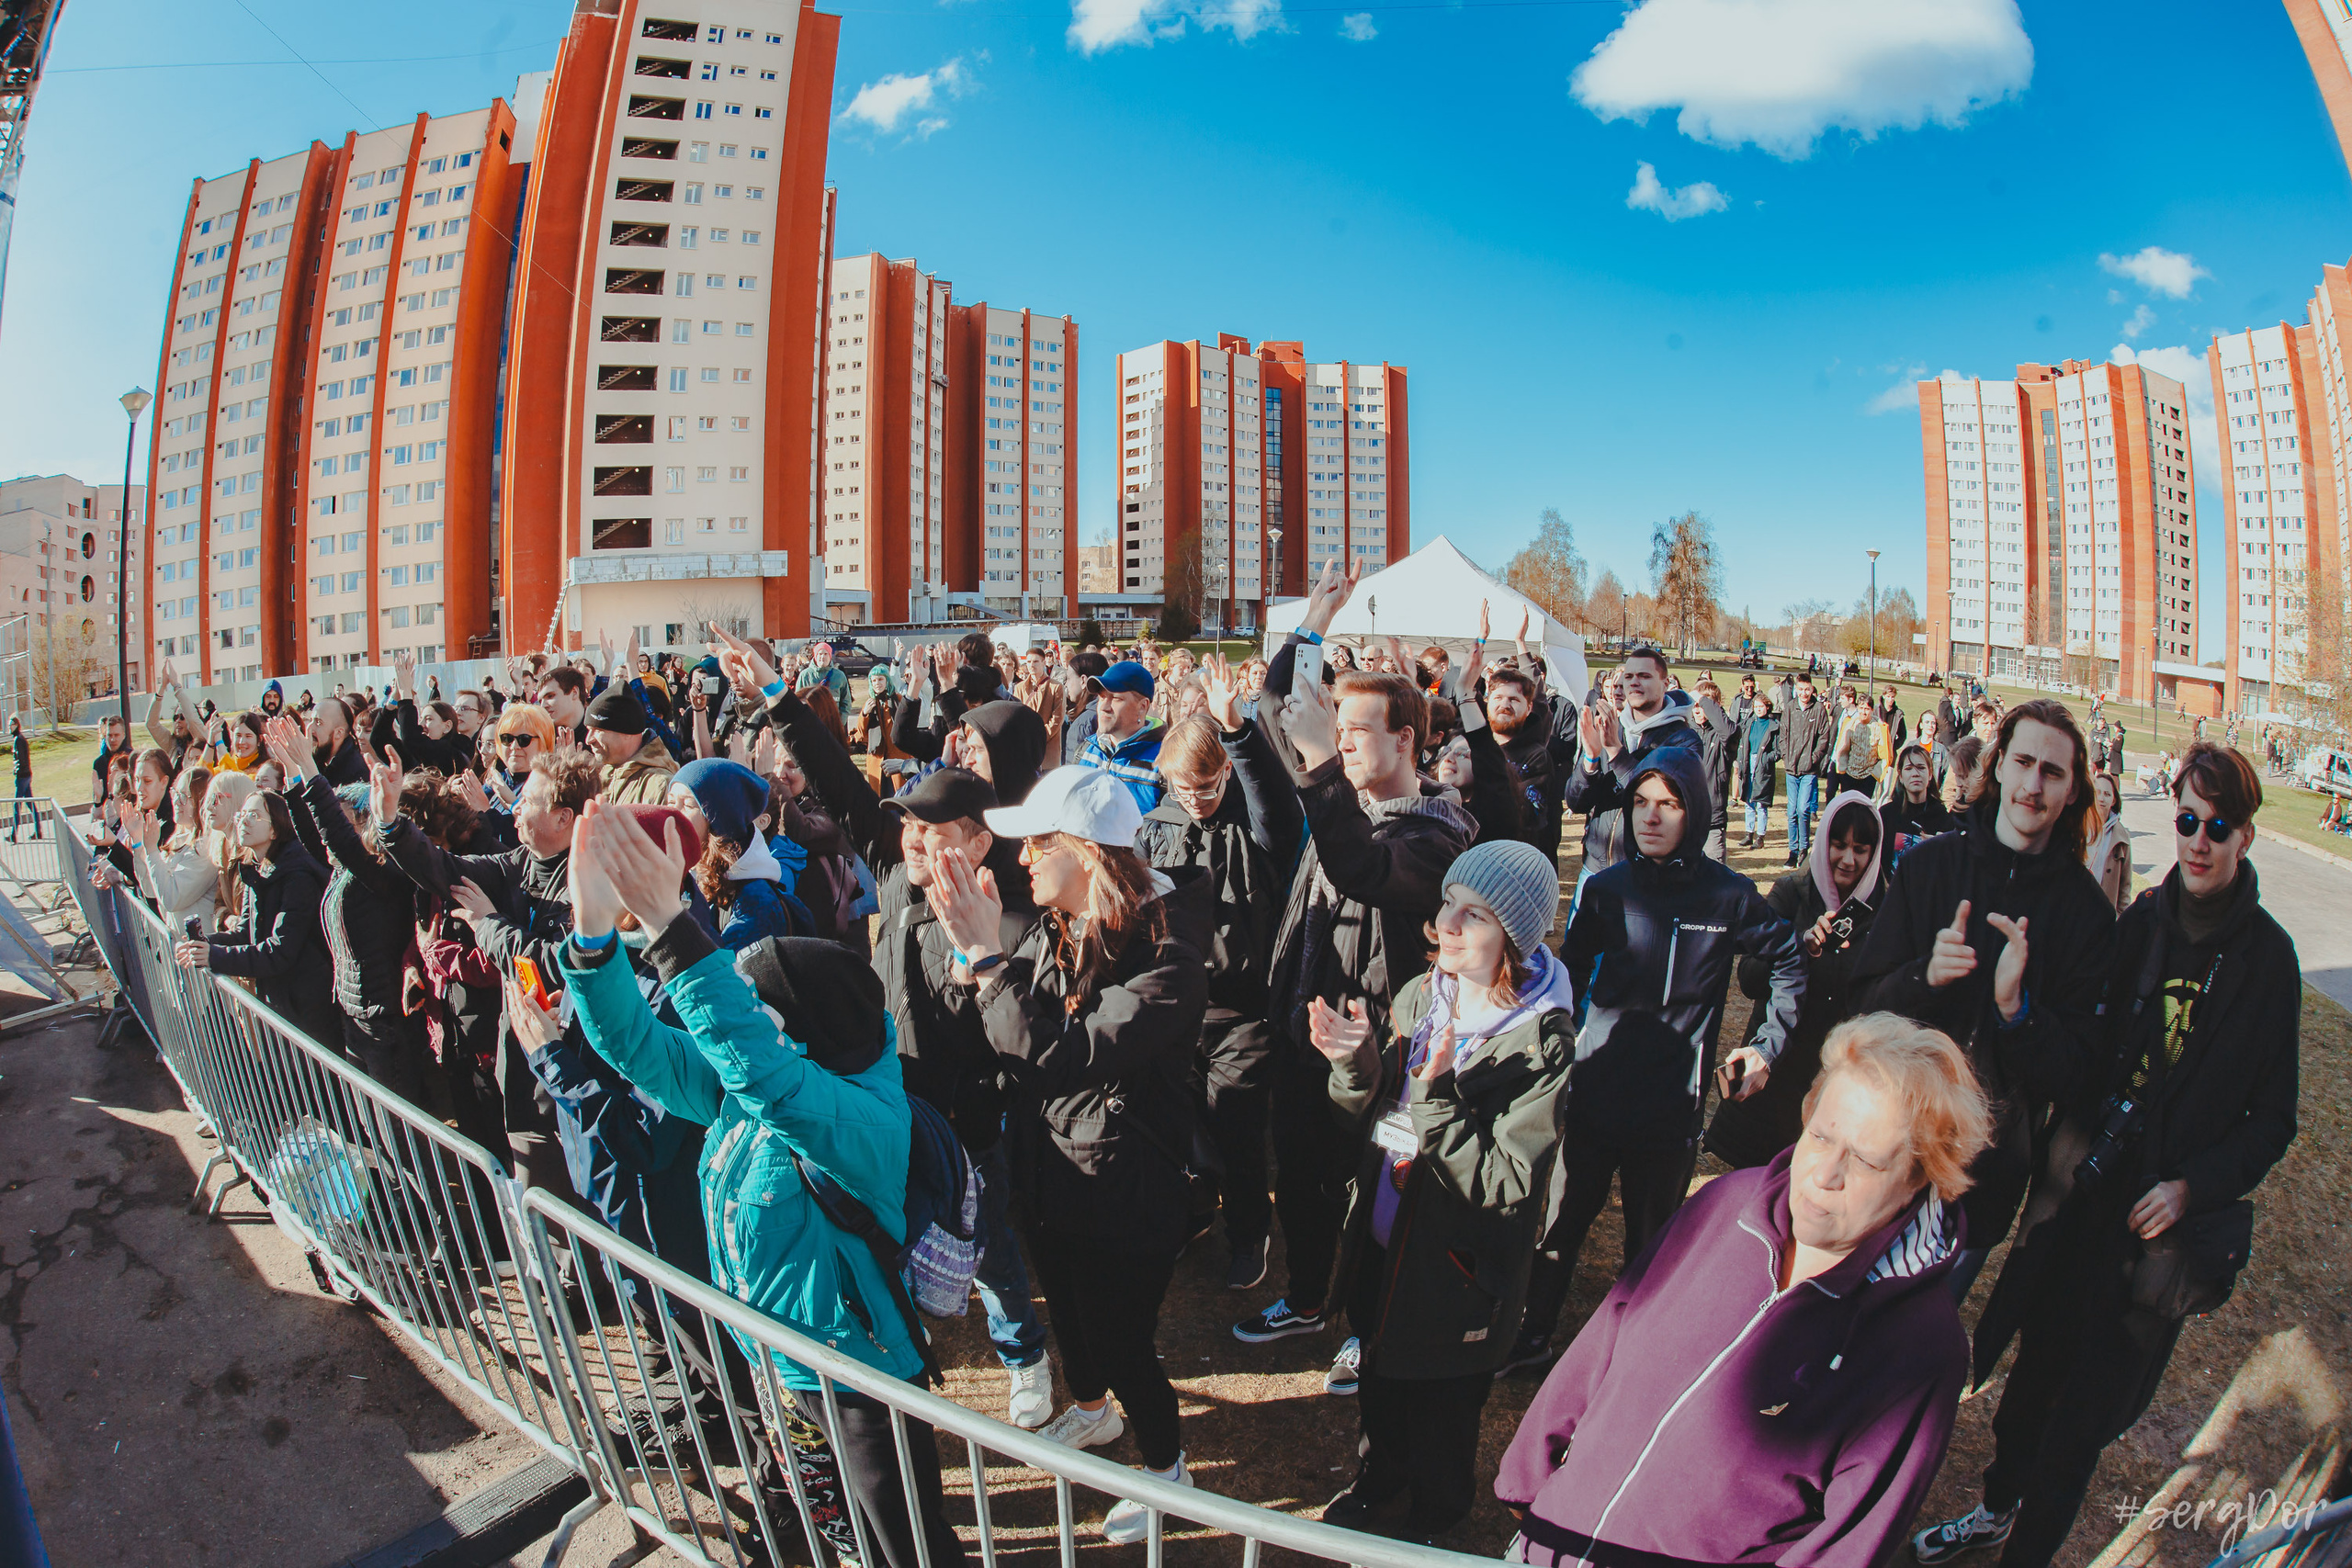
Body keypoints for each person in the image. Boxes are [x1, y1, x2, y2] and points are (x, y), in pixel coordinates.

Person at [1915, 743, 2300, 1568]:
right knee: (2024, 1393)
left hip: (2152, 1229)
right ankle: (1994, 1508)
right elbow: (2084, 1052)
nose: (2198, 840)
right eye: (2187, 819)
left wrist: (2194, 1187)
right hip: (2077, 1197)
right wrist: (2015, 1011)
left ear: (2246, 838)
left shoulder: (2269, 962)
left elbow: (2274, 1118)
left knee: (2079, 1425)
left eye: (2217, 825)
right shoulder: (2141, 924)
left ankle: (2029, 1549)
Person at [556, 804, 970, 1568]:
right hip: (776, 1363)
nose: (737, 1023)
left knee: (905, 1548)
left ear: (799, 1034)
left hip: (860, 1381)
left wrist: (671, 926)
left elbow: (767, 1075)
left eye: (758, 1010)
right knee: (828, 1525)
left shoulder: (864, 1119)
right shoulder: (743, 1092)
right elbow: (641, 1049)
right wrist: (591, 931)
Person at [1498, 1014, 1995, 1568]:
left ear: (1923, 1176)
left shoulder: (1921, 1348)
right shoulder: (1723, 1205)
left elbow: (1850, 1541)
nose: (1823, 1174)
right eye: (1822, 1135)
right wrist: (1526, 1482)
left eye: (1866, 1160)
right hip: (1549, 1544)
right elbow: (1610, 1328)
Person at [924, 767, 1212, 1543]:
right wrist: (971, 963)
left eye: (1038, 843)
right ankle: (1093, 1415)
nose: (1022, 859)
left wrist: (990, 964)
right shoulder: (1060, 924)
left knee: (1122, 1339)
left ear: (1086, 853)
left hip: (1129, 1184)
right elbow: (999, 1031)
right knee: (1075, 1324)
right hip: (1053, 1170)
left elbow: (1060, 1052)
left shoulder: (1170, 954)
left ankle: (1167, 1474)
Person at [1236, 560, 1476, 1389]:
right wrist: (1311, 626)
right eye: (1336, 730)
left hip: (1381, 1053)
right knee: (1299, 1174)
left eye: (1356, 731)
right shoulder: (1341, 793)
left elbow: (1367, 870)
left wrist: (1320, 772)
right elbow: (1272, 709)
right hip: (1308, 1029)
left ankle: (1368, 1327)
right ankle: (1306, 1295)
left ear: (1406, 739)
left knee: (1377, 1193)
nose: (1339, 743)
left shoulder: (1436, 834)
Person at [1507, 743, 1804, 1374]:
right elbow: (1569, 973)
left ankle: (1630, 1359)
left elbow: (1789, 960)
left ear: (1692, 810)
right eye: (1640, 802)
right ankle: (1530, 1337)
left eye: (1668, 804)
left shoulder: (1729, 896)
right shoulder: (1608, 888)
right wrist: (1561, 1045)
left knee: (1650, 1247)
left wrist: (1767, 1045)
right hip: (1596, 1092)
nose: (1650, 816)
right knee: (1559, 1226)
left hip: (1672, 1108)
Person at [1316, 838, 1576, 1543]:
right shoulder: (1421, 995)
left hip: (1458, 1276)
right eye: (1448, 904)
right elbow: (1371, 1120)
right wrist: (1354, 1064)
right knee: (1381, 1387)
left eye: (1476, 915)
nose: (1447, 925)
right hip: (1383, 1245)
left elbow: (1508, 1182)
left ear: (1515, 941)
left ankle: (1436, 1520)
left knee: (1443, 1415)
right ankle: (1379, 1483)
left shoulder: (1538, 1046)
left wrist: (1434, 1099)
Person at [1850, 699, 2118, 1301]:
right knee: (1825, 1339)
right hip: (1885, 1145)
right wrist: (1924, 976)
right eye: (2022, 761)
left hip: (1982, 1179)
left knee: (1904, 1355)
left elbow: (2079, 1077)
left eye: (2052, 772)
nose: (2032, 783)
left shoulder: (2090, 919)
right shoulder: (1927, 867)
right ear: (1997, 767)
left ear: (2074, 790)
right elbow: (1859, 1009)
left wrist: (2018, 1014)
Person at [1136, 652, 1304, 1291]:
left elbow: (1278, 808)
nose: (1196, 799)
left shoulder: (1255, 823)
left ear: (1225, 774)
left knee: (1236, 1125)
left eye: (1206, 786)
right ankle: (1194, 1212)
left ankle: (1251, 1232)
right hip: (1180, 1008)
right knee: (1180, 1123)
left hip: (1246, 1008)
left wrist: (1238, 730)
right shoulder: (1157, 826)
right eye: (1183, 789)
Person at [1705, 794, 1883, 1170]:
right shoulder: (1791, 891)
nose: (1848, 860)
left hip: (1838, 1075)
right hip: (1777, 1063)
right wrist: (1796, 946)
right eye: (1838, 845)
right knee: (1754, 1179)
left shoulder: (1886, 908)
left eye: (1861, 849)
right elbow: (1749, 978)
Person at [259, 716, 424, 1100]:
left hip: (384, 1024)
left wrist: (312, 772)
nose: (329, 831)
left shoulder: (381, 872)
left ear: (362, 827)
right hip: (353, 1016)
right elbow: (317, 834)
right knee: (373, 1124)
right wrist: (295, 774)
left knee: (400, 1133)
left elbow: (334, 833)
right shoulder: (340, 869)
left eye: (344, 819)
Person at [175, 787, 338, 1045]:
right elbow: (246, 933)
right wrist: (206, 944)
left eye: (254, 815)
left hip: (306, 1008)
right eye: (242, 814)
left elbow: (279, 950)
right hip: (279, 1001)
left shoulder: (298, 877)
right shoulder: (256, 869)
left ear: (275, 830)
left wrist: (213, 956)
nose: (243, 821)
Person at [1560, 647, 1700, 879]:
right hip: (1595, 868)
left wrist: (1615, 750)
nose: (1634, 682)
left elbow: (1658, 800)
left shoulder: (1683, 741)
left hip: (1645, 874)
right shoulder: (1609, 727)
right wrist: (1591, 759)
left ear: (1665, 684)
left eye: (1644, 676)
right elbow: (1576, 802)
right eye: (1629, 676)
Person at [670, 758, 806, 949]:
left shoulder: (756, 902)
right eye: (671, 801)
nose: (673, 813)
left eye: (688, 805)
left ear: (720, 820)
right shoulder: (688, 874)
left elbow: (727, 974)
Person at [127, 764, 219, 934]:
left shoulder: (205, 846)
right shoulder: (178, 839)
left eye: (184, 796)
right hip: (180, 945)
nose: (176, 801)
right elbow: (150, 889)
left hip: (201, 948)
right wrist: (139, 842)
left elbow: (171, 898)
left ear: (201, 802)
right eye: (175, 793)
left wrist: (152, 850)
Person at [1079, 660, 1165, 811]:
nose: (1104, 707)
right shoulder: (1087, 749)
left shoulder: (1166, 761)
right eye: (1102, 697)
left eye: (1116, 698)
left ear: (1142, 706)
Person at [1778, 671, 1837, 869]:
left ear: (1812, 689)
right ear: (1796, 689)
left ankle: (1804, 848)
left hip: (1808, 769)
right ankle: (1793, 851)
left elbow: (1824, 738)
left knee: (1803, 809)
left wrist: (1813, 759)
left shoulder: (1818, 709)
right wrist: (1785, 755)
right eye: (1800, 689)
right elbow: (1783, 734)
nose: (1804, 693)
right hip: (1791, 768)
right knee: (1792, 811)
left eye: (1807, 689)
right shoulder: (1790, 708)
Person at [585, 687, 676, 804]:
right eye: (588, 730)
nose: (588, 740)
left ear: (627, 733)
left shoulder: (661, 786)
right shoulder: (600, 775)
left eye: (598, 730)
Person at [1882, 740, 1955, 869]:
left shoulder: (1942, 816)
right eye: (1909, 769)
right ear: (1900, 776)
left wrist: (1939, 847)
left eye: (1921, 768)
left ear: (1930, 774)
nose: (1915, 774)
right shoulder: (1886, 815)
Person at [1733, 689, 1779, 852]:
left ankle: (1760, 836)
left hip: (1762, 765)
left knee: (1761, 803)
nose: (1758, 709)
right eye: (1756, 706)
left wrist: (1767, 759)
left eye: (1761, 706)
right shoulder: (1748, 723)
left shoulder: (1773, 726)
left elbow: (1778, 750)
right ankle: (1749, 833)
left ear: (1767, 707)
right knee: (1748, 800)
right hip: (1748, 762)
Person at [2085, 770, 2132, 917]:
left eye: (2107, 794)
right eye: (2097, 792)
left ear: (2114, 800)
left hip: (2104, 916)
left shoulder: (2121, 838)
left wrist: (2120, 918)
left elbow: (2125, 886)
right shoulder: (2078, 828)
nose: (2101, 799)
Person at [306, 695, 370, 787]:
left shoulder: (355, 772)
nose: (310, 728)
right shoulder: (321, 760)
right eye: (310, 720)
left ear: (339, 733)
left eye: (318, 723)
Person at [8, 716, 31, 842]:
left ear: (16, 725)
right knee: (30, 803)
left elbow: (21, 759)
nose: (10, 727)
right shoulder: (19, 739)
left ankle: (13, 834)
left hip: (22, 776)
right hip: (26, 775)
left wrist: (17, 771)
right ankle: (38, 830)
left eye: (11, 725)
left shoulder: (18, 740)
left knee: (17, 805)